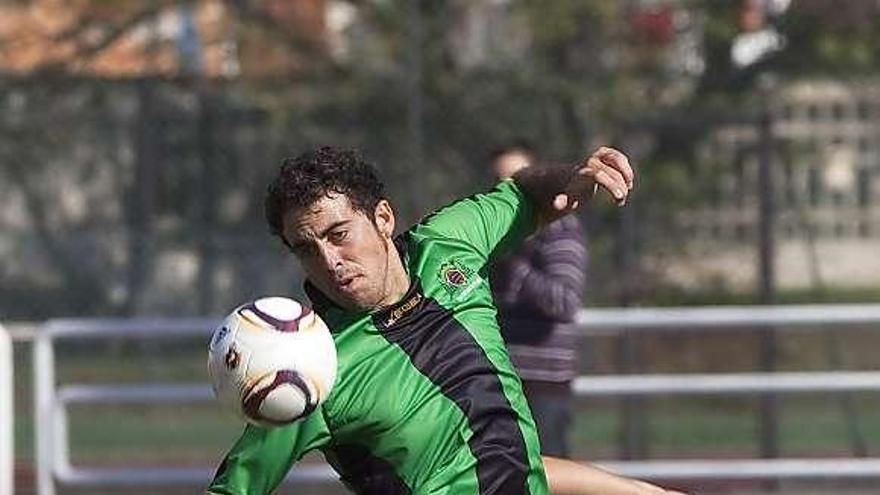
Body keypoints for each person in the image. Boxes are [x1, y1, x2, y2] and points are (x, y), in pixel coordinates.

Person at [206, 146, 683, 495]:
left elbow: (521, 193)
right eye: (306, 249)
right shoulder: (314, 369)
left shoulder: (449, 245)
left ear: (384, 219)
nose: (330, 261)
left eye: (339, 234)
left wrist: (572, 177)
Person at [489, 142, 587, 458]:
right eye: (500, 182)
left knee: (550, 475)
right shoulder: (493, 235)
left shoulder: (561, 229)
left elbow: (564, 301)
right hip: (499, 381)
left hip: (544, 386)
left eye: (516, 179)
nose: (508, 190)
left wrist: (513, 266)